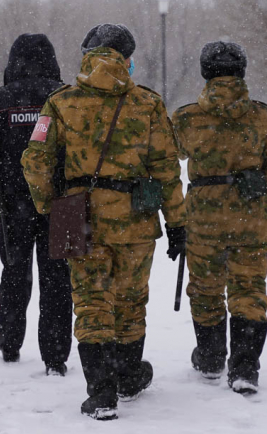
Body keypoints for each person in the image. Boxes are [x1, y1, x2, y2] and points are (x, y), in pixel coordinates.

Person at [21, 24, 187, 420]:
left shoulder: (60, 102)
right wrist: (177, 222)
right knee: (131, 300)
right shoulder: (148, 103)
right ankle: (129, 375)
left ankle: (101, 393)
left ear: (86, 54)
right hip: (136, 217)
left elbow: (35, 160)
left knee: (92, 303)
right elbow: (166, 167)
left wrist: (49, 206)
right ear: (127, 59)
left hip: (76, 215)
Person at [172, 41, 267, 395]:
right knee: (249, 290)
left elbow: (164, 163)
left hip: (203, 219)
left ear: (204, 72)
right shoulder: (263, 117)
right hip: (252, 217)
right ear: (242, 70)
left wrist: (173, 213)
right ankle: (244, 367)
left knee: (206, 289)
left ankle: (210, 357)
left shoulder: (187, 117)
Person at [0, 34, 73, 376]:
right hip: (65, 203)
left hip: (13, 203)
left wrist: (2, 177)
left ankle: (10, 342)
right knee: (60, 278)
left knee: (14, 271)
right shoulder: (68, 99)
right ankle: (55, 356)